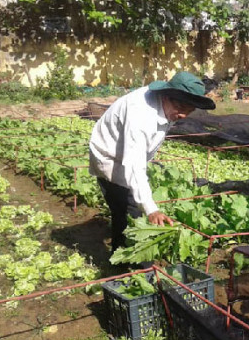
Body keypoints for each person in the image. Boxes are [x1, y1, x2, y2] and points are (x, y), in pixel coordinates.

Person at [89, 71, 216, 252]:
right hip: (110, 157)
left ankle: (120, 257)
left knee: (123, 210)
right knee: (134, 214)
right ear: (166, 96)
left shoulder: (166, 106)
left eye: (189, 111)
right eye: (181, 108)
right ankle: (139, 267)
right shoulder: (140, 114)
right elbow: (134, 164)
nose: (183, 116)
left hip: (123, 152)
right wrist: (151, 209)